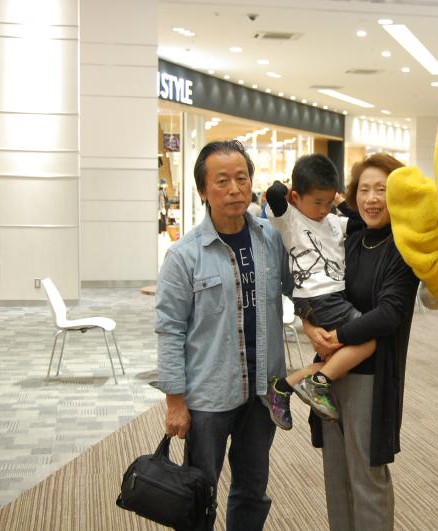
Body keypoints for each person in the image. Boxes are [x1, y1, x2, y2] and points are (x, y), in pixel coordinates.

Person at [154, 140, 292, 531]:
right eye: (222, 181)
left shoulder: (270, 238)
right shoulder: (184, 255)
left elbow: (295, 290)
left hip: (263, 392)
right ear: (203, 191)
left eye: (241, 178)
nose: (234, 189)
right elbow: (170, 328)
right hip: (209, 396)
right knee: (198, 491)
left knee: (253, 489)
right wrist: (175, 401)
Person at [302, 153, 419, 531]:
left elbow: (390, 314)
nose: (371, 199)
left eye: (381, 190)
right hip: (331, 374)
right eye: (365, 189)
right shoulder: (350, 240)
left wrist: (337, 336)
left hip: (371, 377)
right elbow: (319, 286)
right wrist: (310, 327)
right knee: (336, 473)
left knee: (367, 475)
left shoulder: (403, 248)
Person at [262, 154, 374, 426]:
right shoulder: (291, 220)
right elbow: (274, 194)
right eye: (317, 202)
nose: (323, 209)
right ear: (297, 198)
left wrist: (340, 203)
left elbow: (361, 222)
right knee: (369, 338)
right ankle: (317, 384)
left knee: (336, 357)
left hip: (328, 298)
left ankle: (283, 387)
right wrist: (288, 194)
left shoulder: (334, 220)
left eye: (328, 202)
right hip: (318, 298)